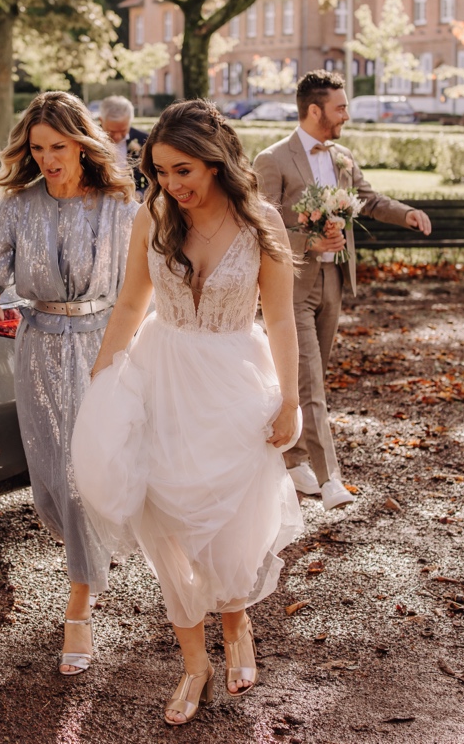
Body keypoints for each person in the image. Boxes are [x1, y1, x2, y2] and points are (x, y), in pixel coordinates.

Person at [72, 100, 303, 725]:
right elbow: (127, 307)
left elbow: (279, 317)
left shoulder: (263, 225)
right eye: (159, 172)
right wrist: (103, 383)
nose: (171, 185)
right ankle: (194, 662)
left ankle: (236, 625)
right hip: (161, 373)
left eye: (182, 171)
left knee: (229, 521)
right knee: (164, 516)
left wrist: (291, 397)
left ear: (216, 161)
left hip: (233, 381)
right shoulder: (153, 217)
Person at [0, 91, 139, 677]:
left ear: (82, 145)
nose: (46, 158)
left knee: (79, 470)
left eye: (57, 147)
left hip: (102, 346)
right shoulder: (17, 206)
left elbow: (142, 284)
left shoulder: (118, 204)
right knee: (48, 478)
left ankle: (79, 606)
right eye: (37, 148)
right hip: (39, 348)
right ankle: (89, 560)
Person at [254, 71, 432, 508]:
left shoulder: (343, 157)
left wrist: (405, 213)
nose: (347, 115)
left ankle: (292, 459)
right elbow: (262, 227)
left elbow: (368, 200)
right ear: (315, 111)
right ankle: (327, 476)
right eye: (341, 107)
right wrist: (307, 241)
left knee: (308, 379)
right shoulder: (272, 159)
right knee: (310, 383)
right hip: (292, 287)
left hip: (334, 281)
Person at [98, 95, 150, 197]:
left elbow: (154, 179)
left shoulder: (144, 140)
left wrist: (140, 194)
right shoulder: (88, 139)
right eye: (112, 132)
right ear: (101, 121)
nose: (117, 137)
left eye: (123, 131)